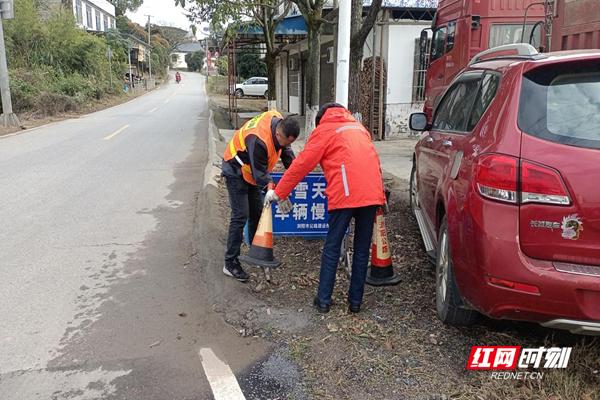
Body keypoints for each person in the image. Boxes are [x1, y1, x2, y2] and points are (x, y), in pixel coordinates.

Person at [265, 103, 385, 313]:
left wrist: (278, 192)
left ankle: (323, 301)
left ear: (320, 120)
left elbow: (302, 164)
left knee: (331, 247)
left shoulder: (325, 130)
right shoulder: (359, 128)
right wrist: (381, 197)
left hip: (346, 195)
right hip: (372, 195)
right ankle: (355, 303)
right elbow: (373, 162)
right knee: (361, 249)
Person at [222, 110, 300, 282]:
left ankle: (256, 251)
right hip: (235, 168)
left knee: (257, 212)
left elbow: (287, 154)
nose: (284, 146)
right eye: (284, 142)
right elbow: (261, 175)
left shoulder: (281, 126)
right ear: (278, 133)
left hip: (250, 171)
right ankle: (230, 262)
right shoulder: (259, 139)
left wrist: (294, 176)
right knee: (240, 215)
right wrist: (274, 192)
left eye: (289, 143)